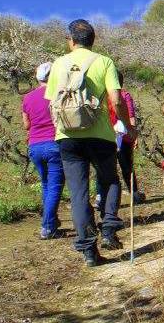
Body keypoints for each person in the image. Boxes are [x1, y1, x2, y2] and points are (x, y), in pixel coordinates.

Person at [45, 19, 134, 266]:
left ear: (71, 40)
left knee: (78, 194)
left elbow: (51, 102)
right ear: (92, 40)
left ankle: (88, 251)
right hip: (101, 135)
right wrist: (129, 127)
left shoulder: (58, 64)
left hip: (67, 137)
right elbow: (116, 100)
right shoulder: (104, 62)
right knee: (110, 181)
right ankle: (108, 229)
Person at [22, 62, 63, 240]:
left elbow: (26, 125)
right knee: (54, 186)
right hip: (54, 143)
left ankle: (51, 222)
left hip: (35, 145)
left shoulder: (27, 98)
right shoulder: (57, 95)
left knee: (46, 184)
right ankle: (47, 226)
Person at [109, 70, 144, 205]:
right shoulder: (124, 95)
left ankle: (104, 196)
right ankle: (134, 192)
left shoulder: (104, 95)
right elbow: (130, 116)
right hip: (123, 134)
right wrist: (134, 133)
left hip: (107, 133)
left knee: (107, 166)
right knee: (126, 165)